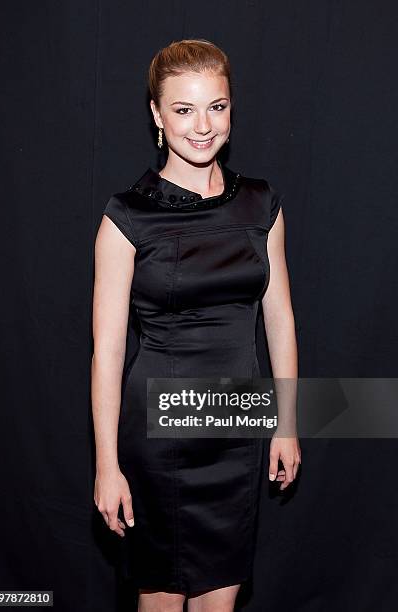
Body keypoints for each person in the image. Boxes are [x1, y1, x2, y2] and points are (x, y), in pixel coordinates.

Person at [91, 39, 301, 612]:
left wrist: (286, 423)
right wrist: (107, 466)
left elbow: (278, 318)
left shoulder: (262, 205)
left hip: (236, 429)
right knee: (160, 601)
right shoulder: (127, 217)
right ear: (157, 116)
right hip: (158, 437)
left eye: (217, 106)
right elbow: (106, 353)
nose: (203, 126)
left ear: (233, 109)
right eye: (184, 110)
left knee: (220, 602)